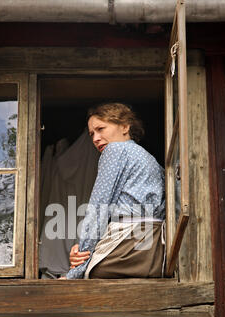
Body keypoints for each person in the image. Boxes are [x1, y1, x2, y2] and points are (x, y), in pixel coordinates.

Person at [61, 102, 165, 280]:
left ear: (125, 126)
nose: (95, 138)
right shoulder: (151, 160)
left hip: (127, 248)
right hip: (154, 253)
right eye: (92, 134)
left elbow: (99, 207)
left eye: (101, 129)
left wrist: (78, 266)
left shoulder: (115, 150)